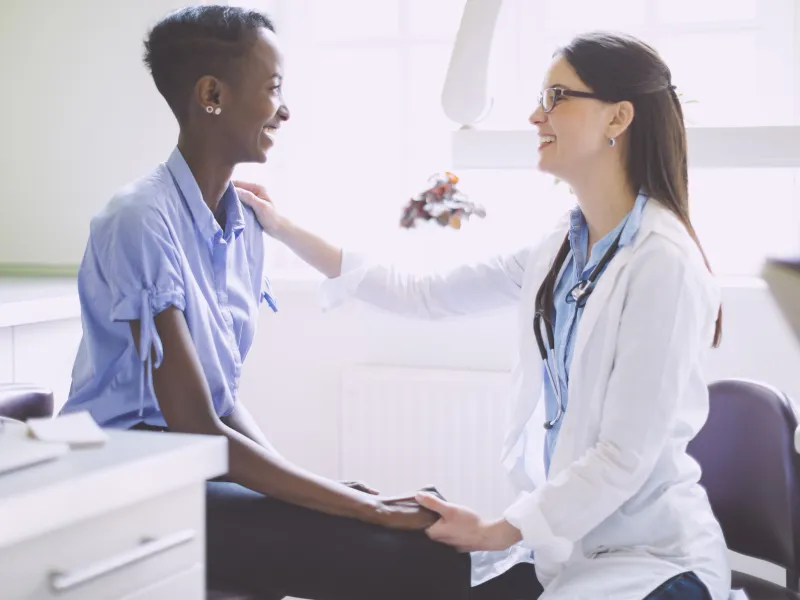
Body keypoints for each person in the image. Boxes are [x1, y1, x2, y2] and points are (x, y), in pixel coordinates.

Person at [237, 32, 740, 600]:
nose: (534, 115)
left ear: (617, 118)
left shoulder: (663, 264)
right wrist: (281, 227)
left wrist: (498, 529)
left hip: (653, 557)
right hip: (569, 549)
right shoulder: (561, 248)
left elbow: (623, 456)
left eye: (556, 96)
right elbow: (422, 293)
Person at [60, 5, 471, 599]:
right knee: (396, 543)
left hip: (193, 467)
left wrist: (336, 493)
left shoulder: (245, 224)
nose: (285, 109)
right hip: (129, 479)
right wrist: (362, 510)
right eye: (273, 88)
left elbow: (222, 404)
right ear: (211, 94)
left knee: (420, 518)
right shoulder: (138, 221)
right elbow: (196, 424)